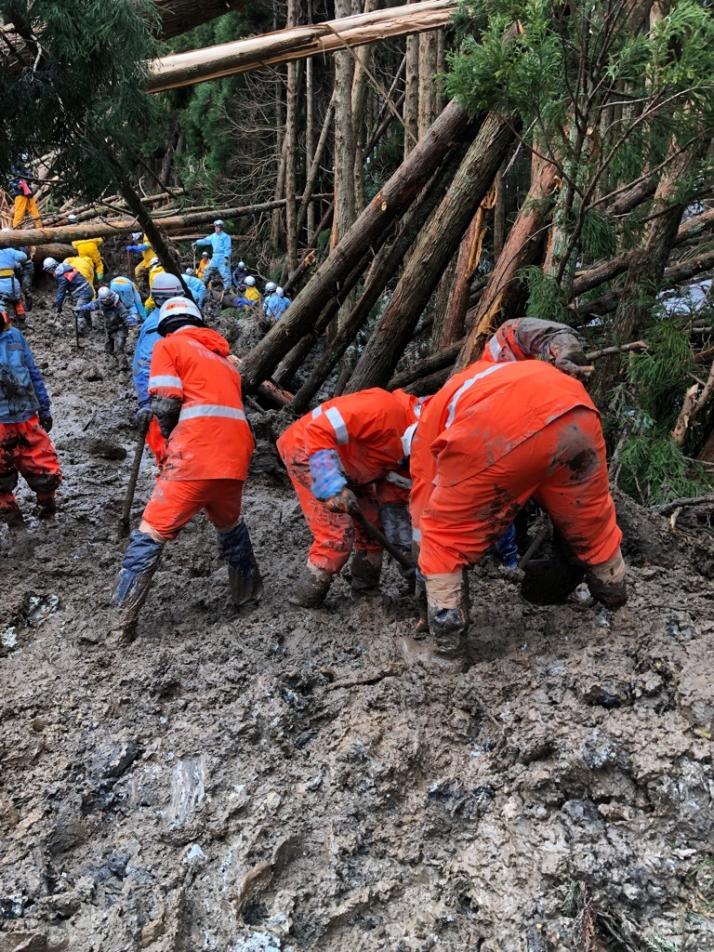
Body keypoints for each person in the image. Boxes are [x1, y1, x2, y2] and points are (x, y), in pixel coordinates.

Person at [410, 318, 626, 664]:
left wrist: (425, 572)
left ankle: (447, 651)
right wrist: (563, 347)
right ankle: (615, 599)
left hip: (498, 429)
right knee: (591, 520)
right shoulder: (494, 368)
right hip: (575, 410)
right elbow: (518, 328)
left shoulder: (429, 424)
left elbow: (426, 510)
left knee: (442, 538)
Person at [112, 296, 262, 640]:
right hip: (235, 459)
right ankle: (248, 593)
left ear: (165, 325)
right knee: (230, 526)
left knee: (151, 532)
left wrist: (165, 448)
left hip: (195, 456)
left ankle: (120, 624)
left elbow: (165, 403)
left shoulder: (170, 346)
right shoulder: (225, 362)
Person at [276, 388, 423, 607]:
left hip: (353, 470)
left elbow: (394, 497)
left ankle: (365, 593)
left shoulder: (412, 455)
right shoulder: (382, 410)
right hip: (308, 451)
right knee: (337, 534)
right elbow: (318, 430)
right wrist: (331, 486)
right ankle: (305, 601)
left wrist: (406, 549)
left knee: (374, 528)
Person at [0, 308, 61, 524]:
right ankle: (11, 516)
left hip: (26, 413)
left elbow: (32, 370)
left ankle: (47, 507)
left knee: (42, 465)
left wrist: (43, 406)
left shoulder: (14, 336)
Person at [131, 271, 184, 459]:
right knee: (166, 457)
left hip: (170, 399)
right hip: (157, 403)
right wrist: (146, 403)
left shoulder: (169, 320)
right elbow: (144, 365)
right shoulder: (157, 327)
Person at [78, 287, 132, 369]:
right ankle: (113, 363)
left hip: (120, 328)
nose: (107, 301)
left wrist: (130, 320)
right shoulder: (99, 302)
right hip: (109, 328)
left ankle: (123, 366)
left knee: (119, 347)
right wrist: (81, 308)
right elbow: (91, 305)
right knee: (108, 348)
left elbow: (125, 314)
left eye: (109, 300)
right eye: (105, 301)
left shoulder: (118, 305)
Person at [43, 258, 93, 331]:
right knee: (84, 310)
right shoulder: (64, 266)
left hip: (83, 292)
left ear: (51, 268)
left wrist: (58, 306)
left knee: (79, 312)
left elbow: (61, 291)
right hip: (86, 289)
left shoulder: (59, 274)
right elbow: (71, 280)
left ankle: (81, 333)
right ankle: (90, 327)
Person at [0, 237, 29, 322]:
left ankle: (3, 323)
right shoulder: (9, 251)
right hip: (13, 284)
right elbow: (24, 257)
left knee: (1, 304)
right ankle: (22, 319)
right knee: (17, 300)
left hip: (1, 286)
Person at [196, 220, 232, 287]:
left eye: (218, 227)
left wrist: (226, 257)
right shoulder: (213, 236)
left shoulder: (226, 237)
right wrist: (197, 243)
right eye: (216, 226)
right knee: (207, 270)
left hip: (223, 257)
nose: (216, 228)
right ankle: (202, 286)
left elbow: (228, 248)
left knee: (226, 274)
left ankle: (227, 289)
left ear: (221, 227)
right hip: (215, 257)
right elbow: (205, 241)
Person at [10, 155, 42, 229]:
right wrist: (18, 185)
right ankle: (16, 231)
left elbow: (31, 177)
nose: (23, 163)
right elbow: (11, 182)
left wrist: (28, 180)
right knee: (19, 213)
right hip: (20, 194)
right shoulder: (13, 170)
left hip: (28, 193)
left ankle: (39, 228)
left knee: (34, 211)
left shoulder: (26, 169)